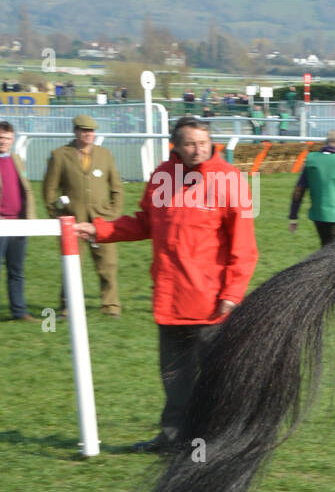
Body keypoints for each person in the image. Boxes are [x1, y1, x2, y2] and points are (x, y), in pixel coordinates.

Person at [75, 116, 258, 453]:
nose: (198, 150)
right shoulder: (162, 176)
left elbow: (244, 247)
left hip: (212, 302)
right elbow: (145, 222)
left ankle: (222, 441)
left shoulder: (229, 180)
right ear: (175, 144)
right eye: (190, 143)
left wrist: (232, 293)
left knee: (217, 378)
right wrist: (99, 230)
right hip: (169, 300)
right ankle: (174, 439)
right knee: (175, 377)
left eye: (203, 142)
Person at [42, 114, 124, 316]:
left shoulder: (105, 155)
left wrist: (112, 214)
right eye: (85, 131)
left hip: (101, 221)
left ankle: (111, 306)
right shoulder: (60, 155)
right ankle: (67, 306)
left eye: (92, 131)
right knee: (72, 265)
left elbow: (117, 189)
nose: (89, 135)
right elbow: (49, 190)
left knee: (108, 265)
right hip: (73, 222)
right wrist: (59, 216)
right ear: (76, 131)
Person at [0, 121, 37, 321]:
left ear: (12, 140)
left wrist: (29, 216)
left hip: (19, 223)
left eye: (6, 138)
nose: (3, 142)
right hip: (1, 224)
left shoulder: (16, 159)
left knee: (16, 270)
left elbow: (25, 188)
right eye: (0, 138)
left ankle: (19, 311)